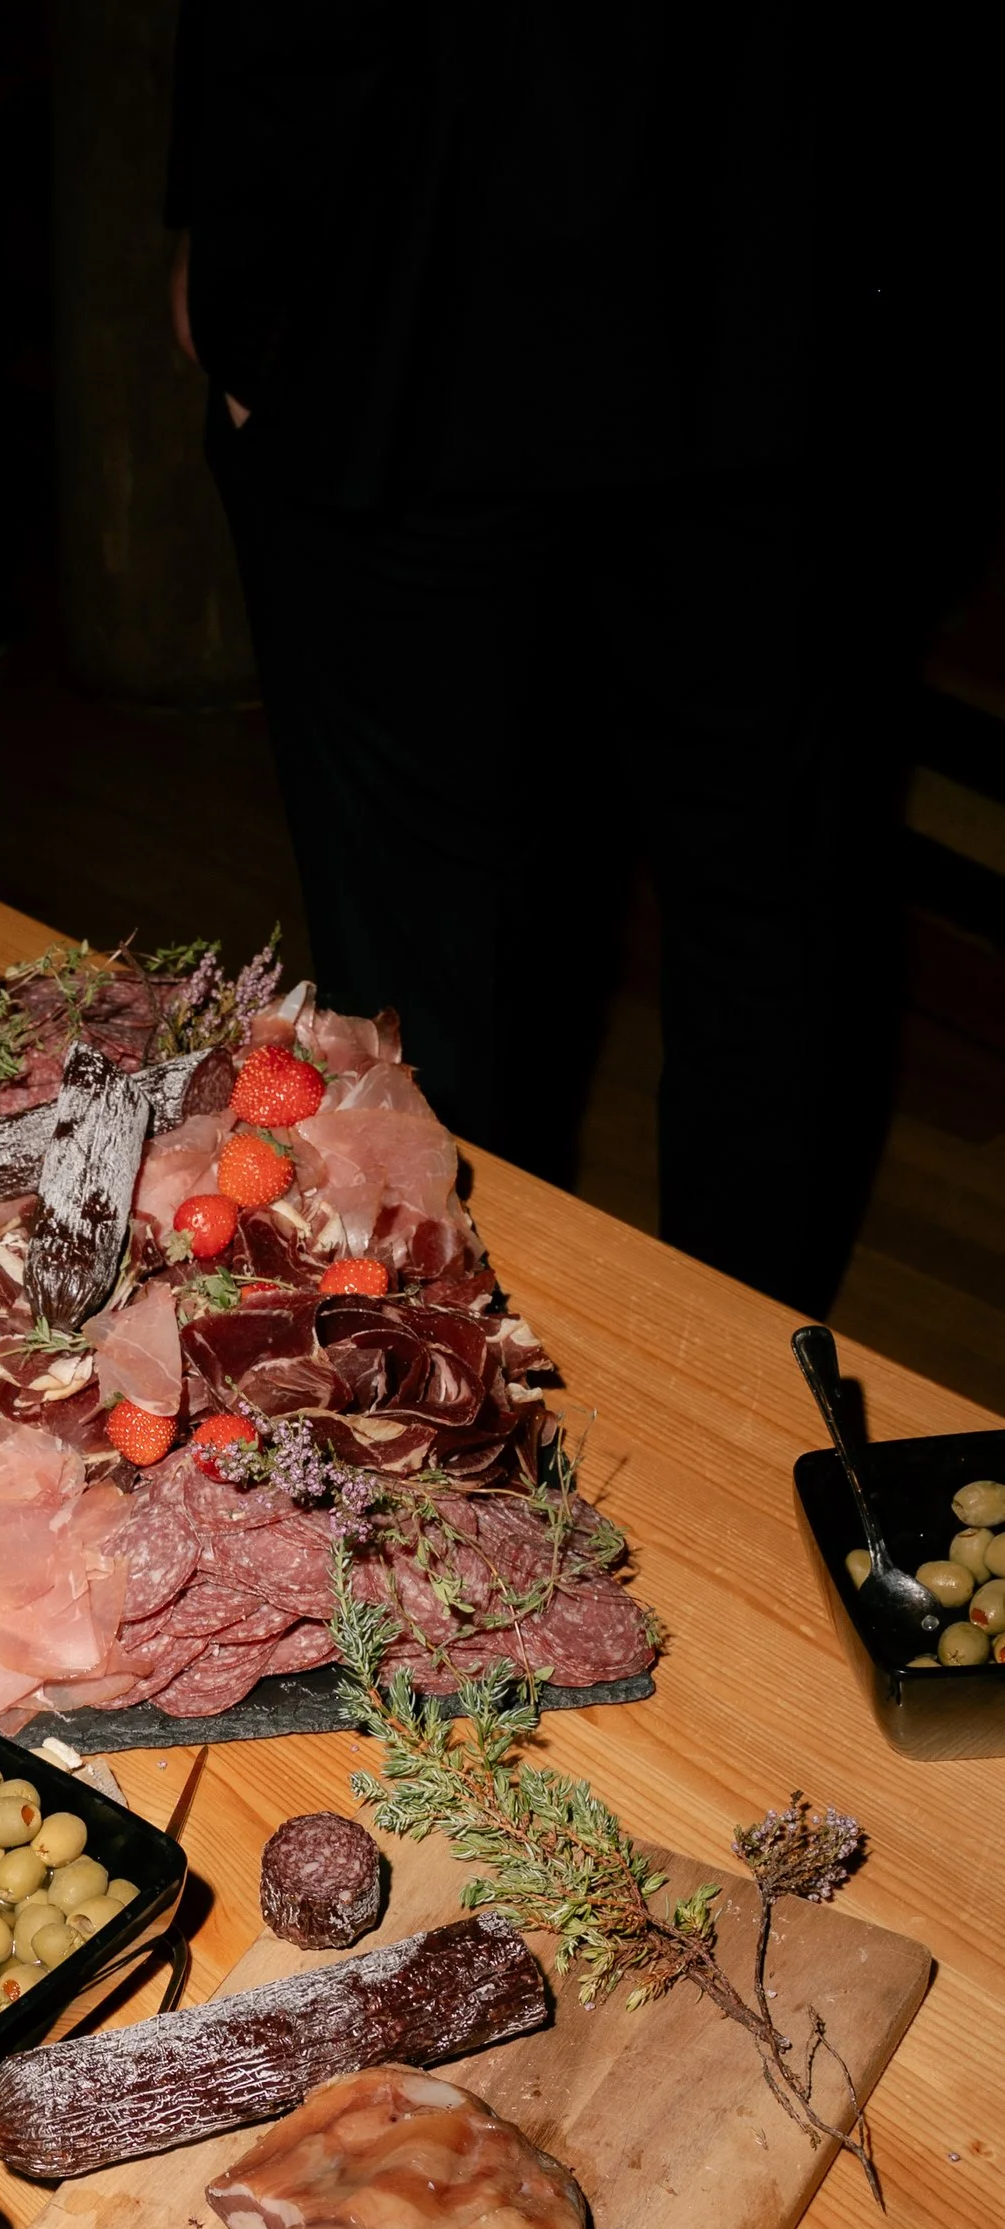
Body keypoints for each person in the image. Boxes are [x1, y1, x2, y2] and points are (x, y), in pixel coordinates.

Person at [164, 3, 942, 1316]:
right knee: (759, 901)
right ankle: (728, 1418)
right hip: (786, 216)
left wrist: (251, 232)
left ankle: (463, 1444)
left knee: (427, 950)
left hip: (422, 238)